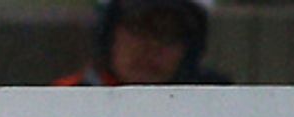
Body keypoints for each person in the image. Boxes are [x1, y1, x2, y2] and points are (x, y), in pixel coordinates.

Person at [56, 0, 230, 87]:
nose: (153, 46)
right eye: (138, 27)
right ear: (108, 32)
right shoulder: (63, 103)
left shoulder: (217, 109)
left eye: (170, 34)